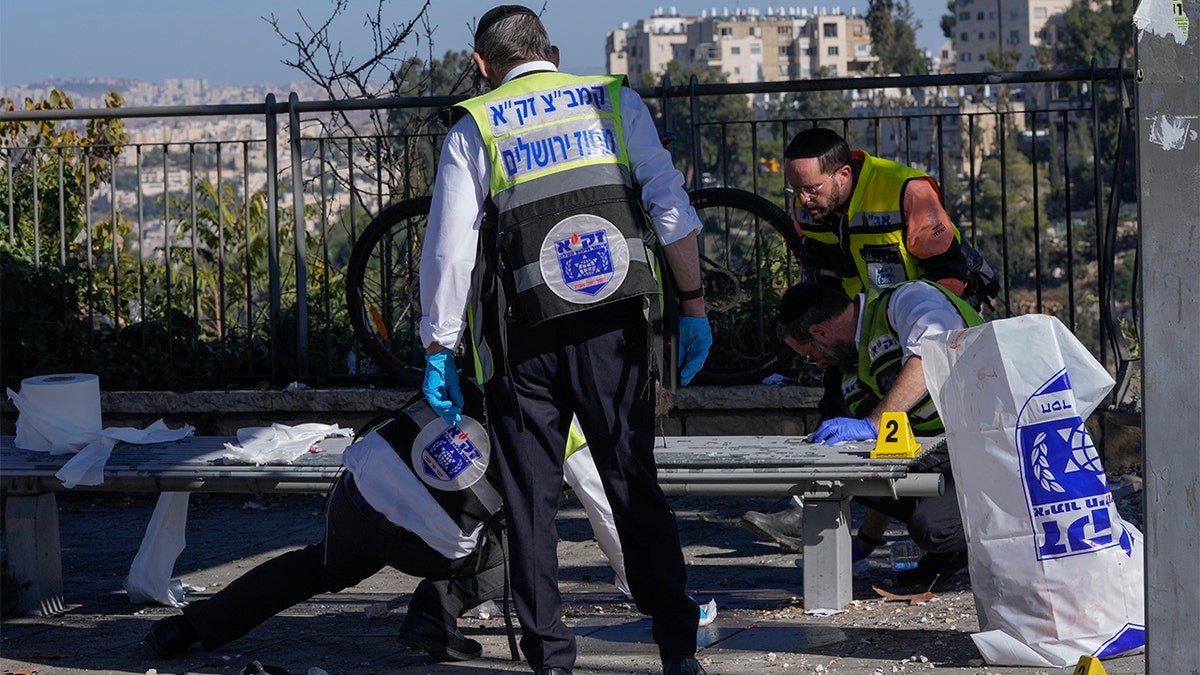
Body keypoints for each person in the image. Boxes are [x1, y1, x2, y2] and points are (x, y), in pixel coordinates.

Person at [417, 6, 712, 675]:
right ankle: (678, 647)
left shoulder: (477, 124)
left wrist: (440, 344)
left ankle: (550, 657)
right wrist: (691, 303)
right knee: (634, 484)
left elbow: (451, 251)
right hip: (615, 328)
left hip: (522, 340)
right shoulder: (614, 101)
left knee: (530, 505)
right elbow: (670, 206)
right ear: (550, 50)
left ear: (481, 65)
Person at [741, 126, 996, 557]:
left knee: (899, 422)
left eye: (811, 189)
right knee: (837, 415)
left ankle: (957, 515)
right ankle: (814, 511)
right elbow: (820, 278)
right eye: (795, 189)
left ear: (843, 174)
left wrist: (908, 324)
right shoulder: (810, 209)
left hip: (919, 323)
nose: (802, 200)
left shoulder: (906, 192)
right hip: (858, 326)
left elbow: (949, 275)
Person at [143, 390, 505, 663]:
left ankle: (184, 629)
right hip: (428, 544)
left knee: (316, 567)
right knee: (532, 544)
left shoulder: (479, 354)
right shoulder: (558, 413)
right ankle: (437, 609)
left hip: (358, 495)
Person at [775, 279, 984, 588]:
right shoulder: (853, 368)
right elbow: (883, 462)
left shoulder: (905, 301)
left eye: (809, 353)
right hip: (945, 452)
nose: (816, 363)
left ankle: (1007, 535)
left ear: (820, 332)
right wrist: (865, 543)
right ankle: (949, 551)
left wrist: (874, 422)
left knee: (935, 529)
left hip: (992, 442)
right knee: (852, 475)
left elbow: (930, 356)